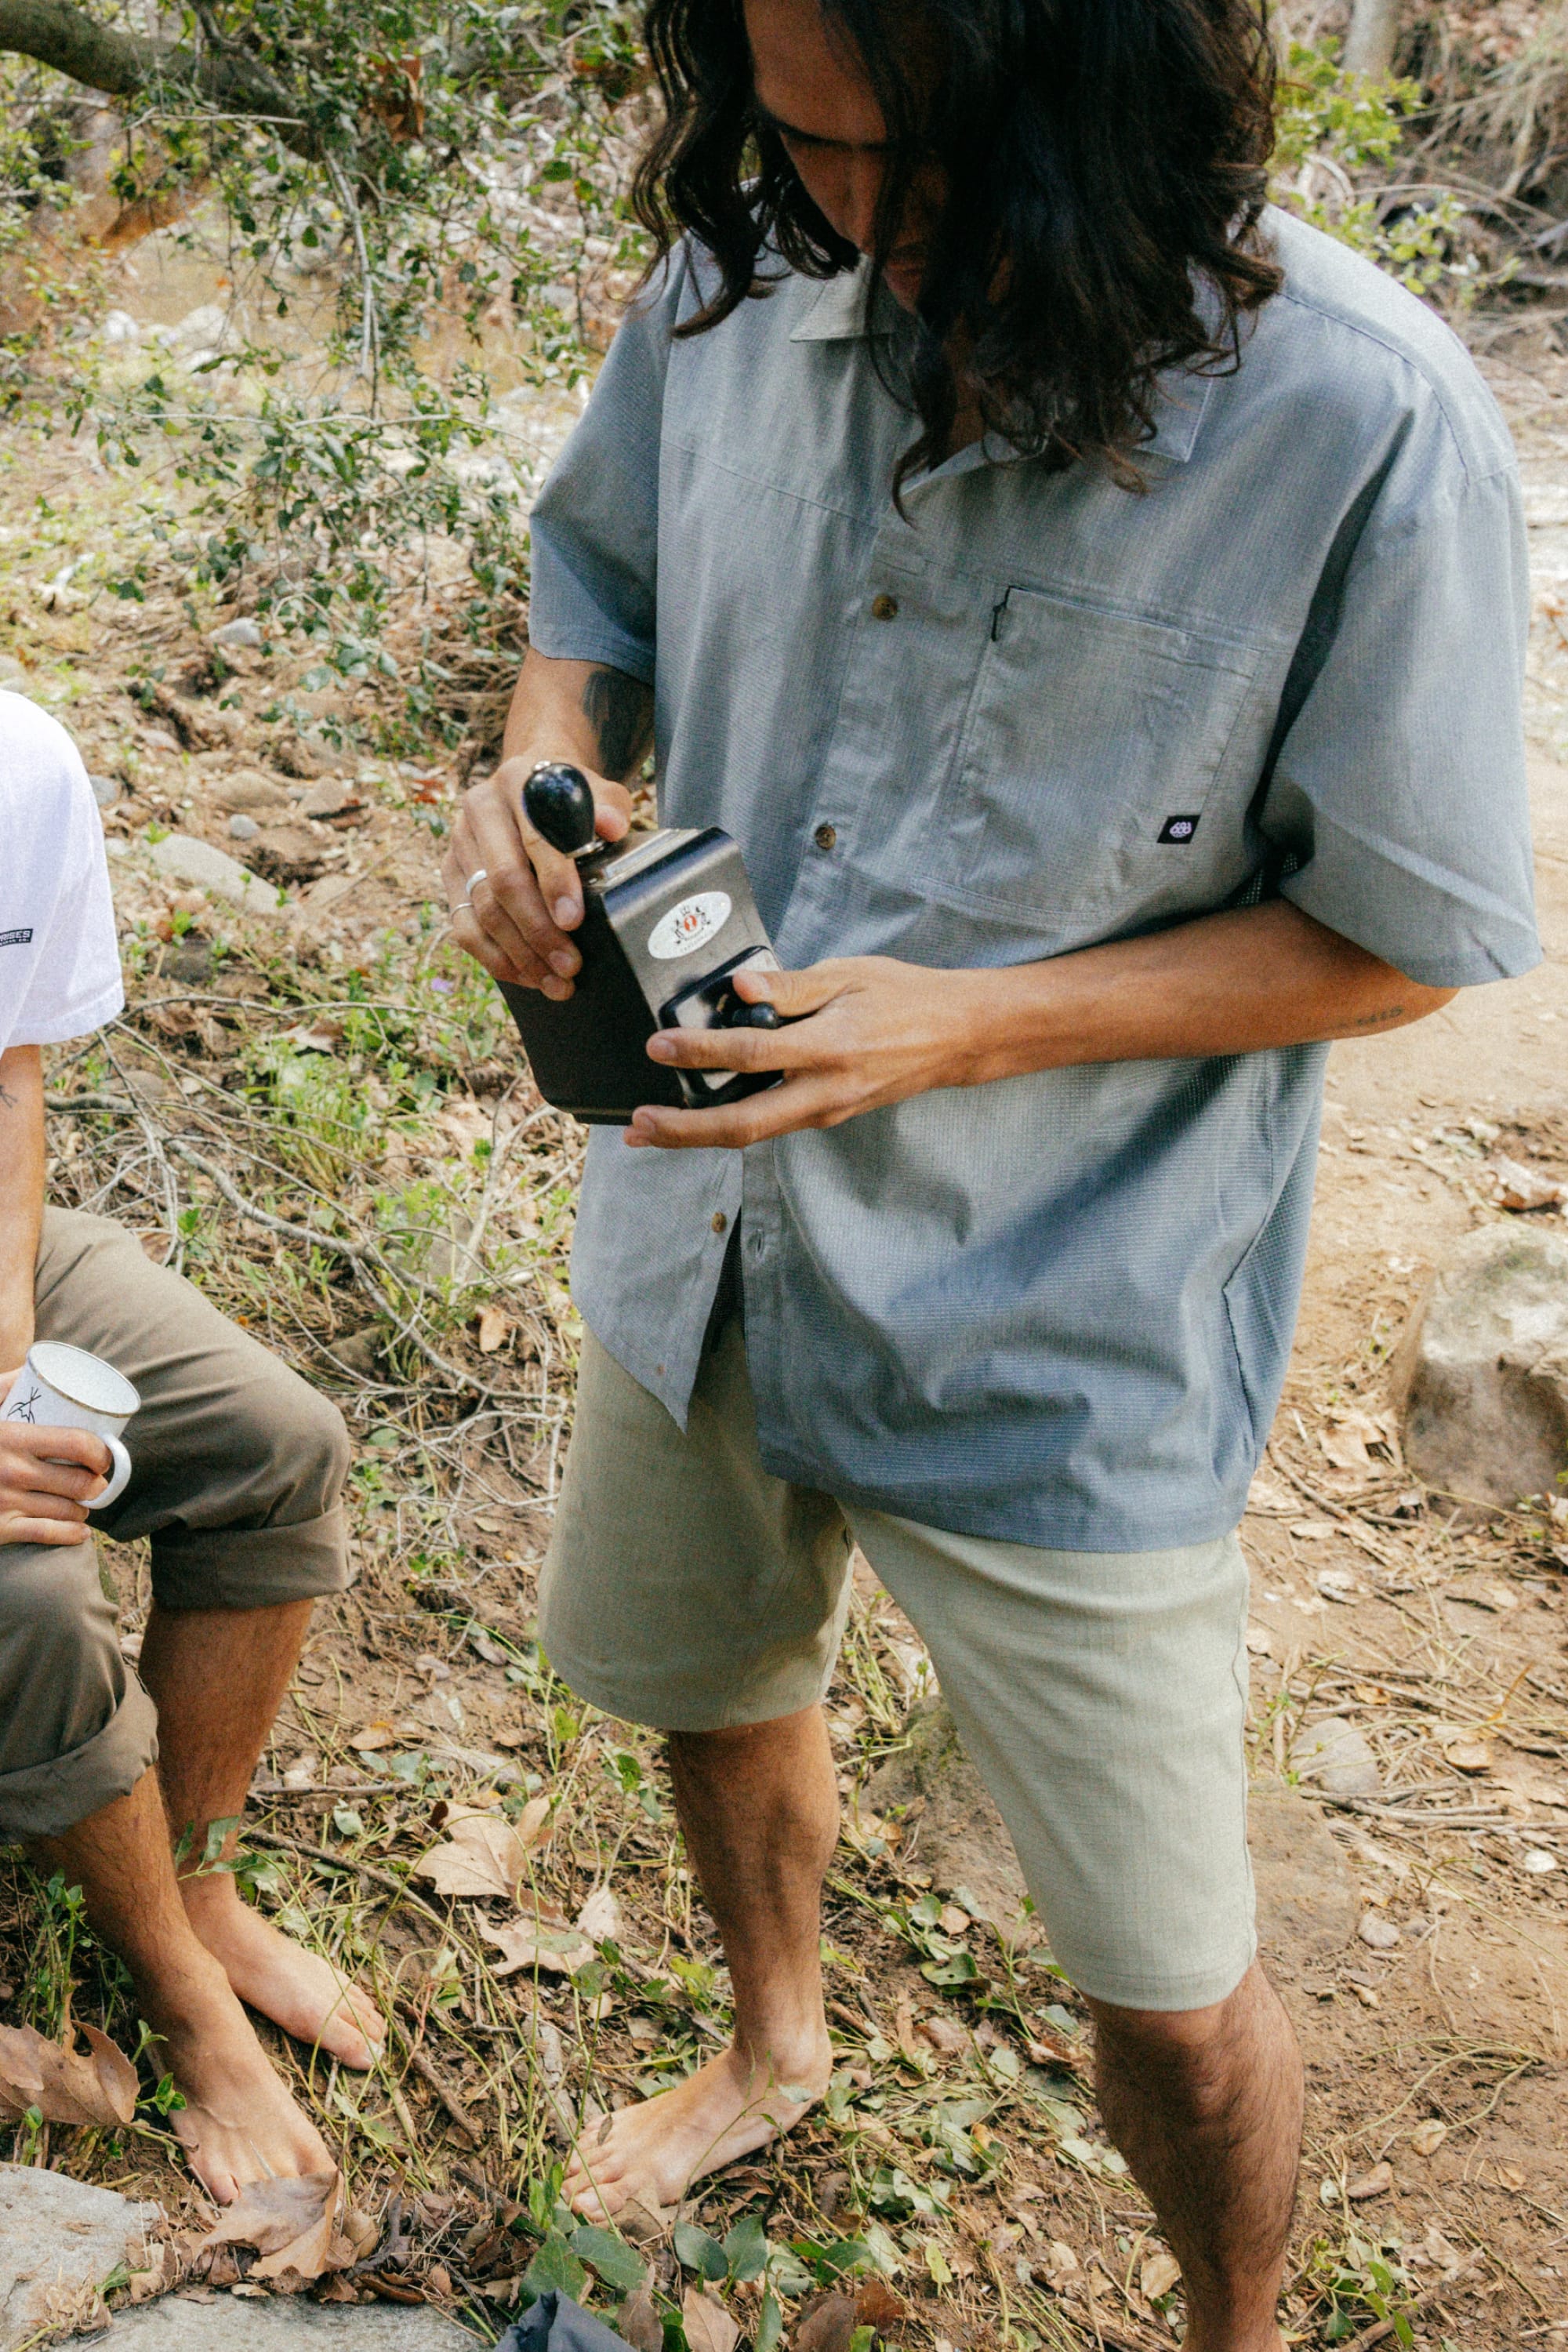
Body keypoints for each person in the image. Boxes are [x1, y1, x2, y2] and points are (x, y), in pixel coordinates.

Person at [447, 2, 1537, 2344]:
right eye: (800, 144)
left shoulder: (1362, 418)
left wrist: (968, 1021)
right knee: (715, 1681)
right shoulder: (747, 267)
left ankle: (1236, 2325)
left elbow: (1404, 941)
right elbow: (591, 592)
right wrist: (536, 776)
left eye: (920, 170)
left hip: (1060, 1320)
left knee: (1168, 1984)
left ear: (1103, 105)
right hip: (702, 1232)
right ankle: (775, 2041)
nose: (856, 229)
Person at [0, 688, 386, 2201]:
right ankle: (180, 1998)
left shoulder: (19, 765)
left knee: (276, 1446)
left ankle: (196, 1876)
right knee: (31, 1601)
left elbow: (8, 1081)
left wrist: (4, 1371)